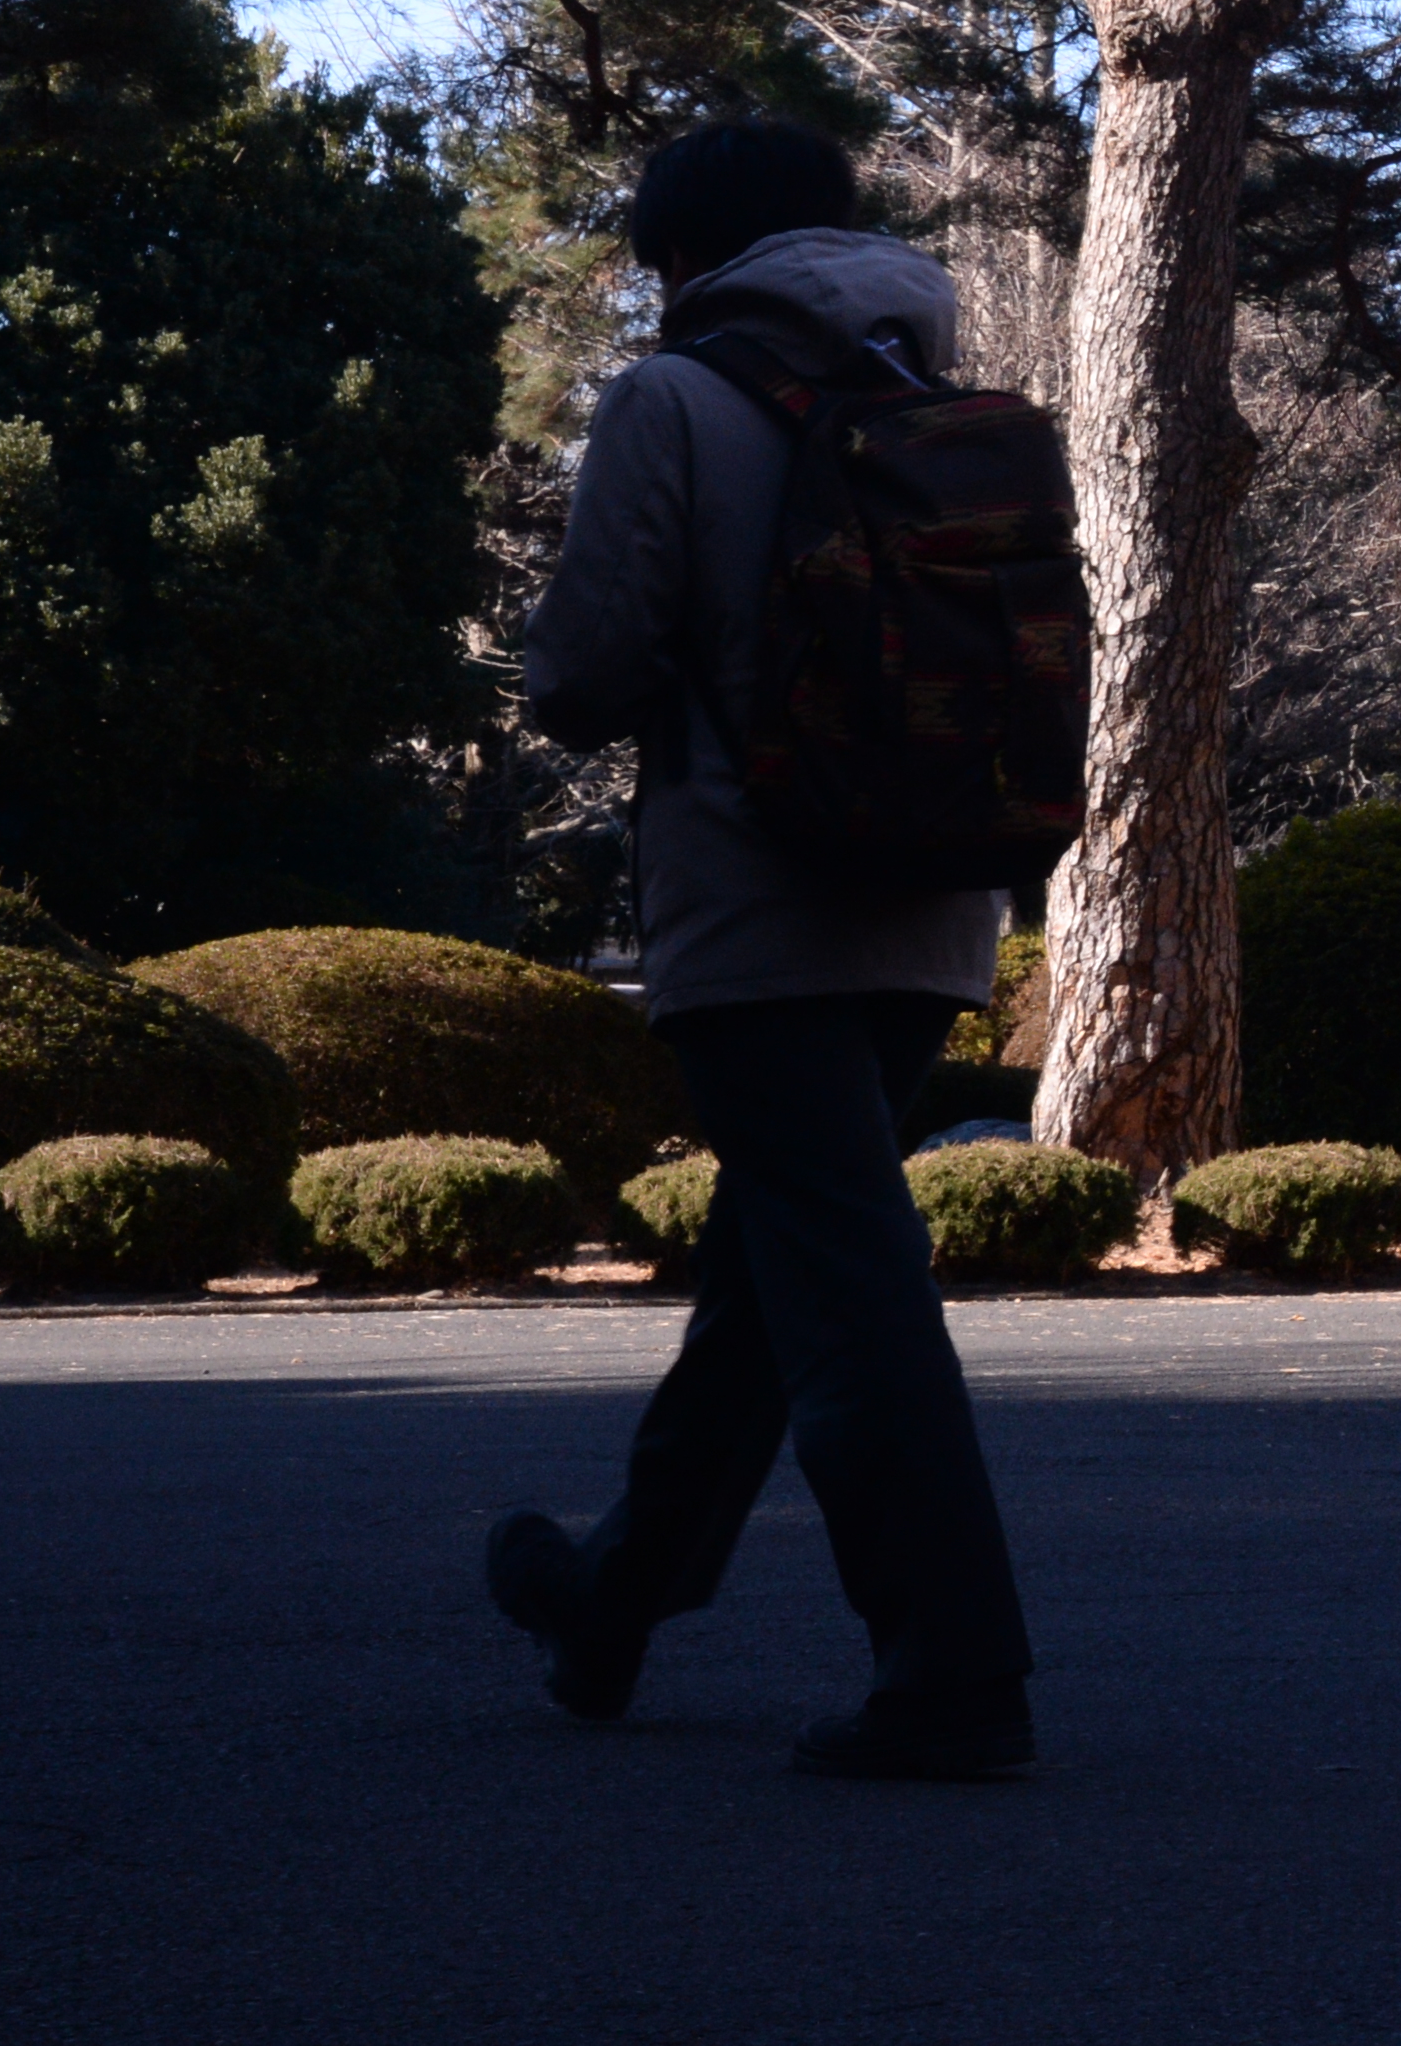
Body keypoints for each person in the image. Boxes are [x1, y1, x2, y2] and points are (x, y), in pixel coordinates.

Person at [487, 120, 1039, 1776]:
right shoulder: (946, 392)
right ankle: (613, 1598)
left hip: (757, 901)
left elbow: (583, 671)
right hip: (935, 904)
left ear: (682, 257)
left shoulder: (674, 397)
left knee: (844, 1284)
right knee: (783, 1261)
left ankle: (956, 1677)